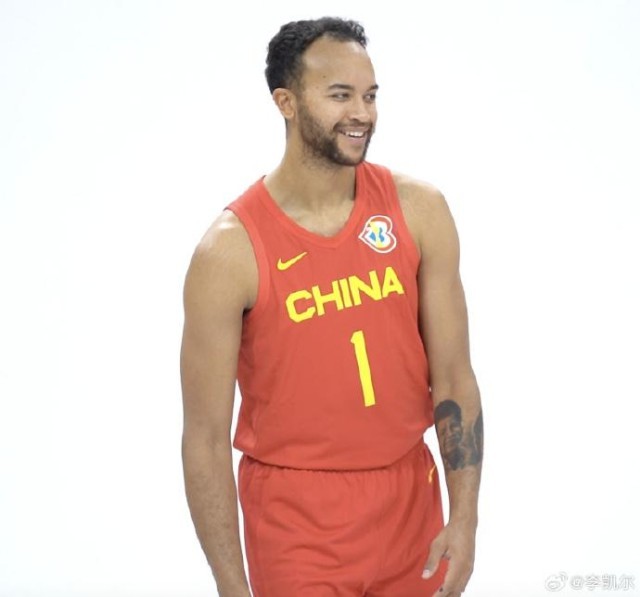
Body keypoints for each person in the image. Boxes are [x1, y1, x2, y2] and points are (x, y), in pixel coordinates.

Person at [180, 16, 483, 597]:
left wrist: (465, 518)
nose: (362, 113)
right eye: (340, 95)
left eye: (370, 95)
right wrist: (231, 585)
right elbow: (205, 439)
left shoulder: (419, 210)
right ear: (286, 102)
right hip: (296, 520)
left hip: (409, 505)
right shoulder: (229, 252)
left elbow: (454, 377)